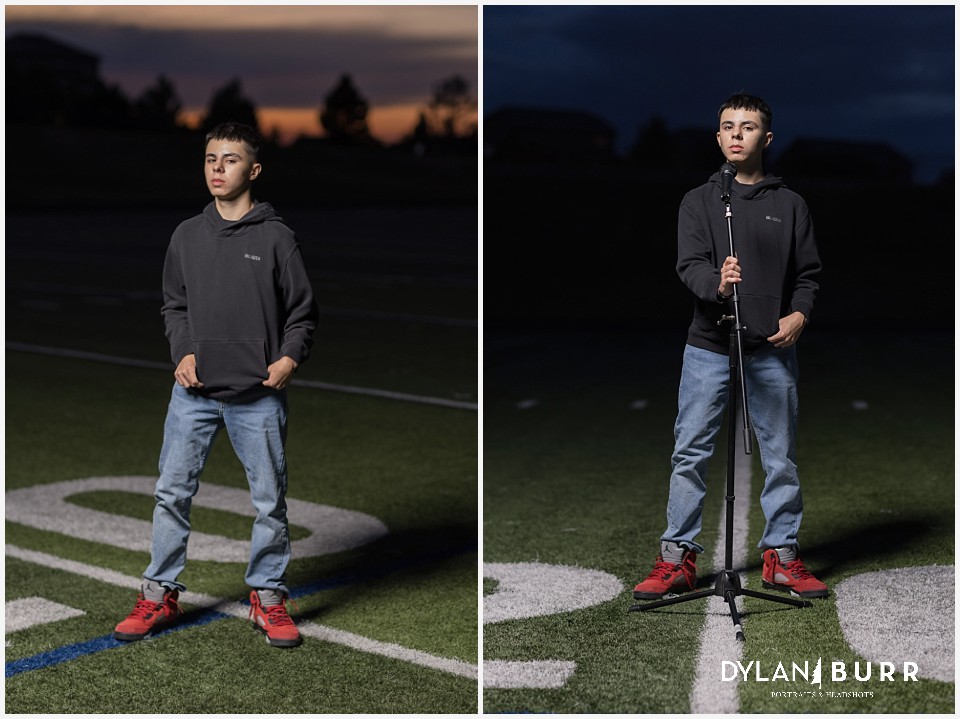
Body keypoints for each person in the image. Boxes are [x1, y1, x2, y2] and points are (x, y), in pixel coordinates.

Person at [114, 121, 319, 647]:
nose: (217, 169)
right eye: (210, 159)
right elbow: (174, 304)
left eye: (229, 160)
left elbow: (303, 314)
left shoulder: (277, 237)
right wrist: (182, 351)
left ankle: (268, 598)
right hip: (193, 393)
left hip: (258, 397)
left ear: (253, 170)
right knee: (171, 493)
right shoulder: (186, 234)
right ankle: (158, 594)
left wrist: (288, 361)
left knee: (269, 501)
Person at [633, 94, 828, 601]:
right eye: (727, 126)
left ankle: (781, 557)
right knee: (689, 452)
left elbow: (808, 275)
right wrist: (717, 285)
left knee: (780, 457)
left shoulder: (790, 205)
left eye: (748, 126)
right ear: (718, 138)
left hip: (770, 346)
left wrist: (800, 313)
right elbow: (689, 264)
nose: (736, 134)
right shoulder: (699, 201)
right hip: (709, 347)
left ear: (767, 138)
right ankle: (676, 557)